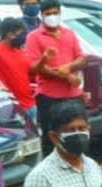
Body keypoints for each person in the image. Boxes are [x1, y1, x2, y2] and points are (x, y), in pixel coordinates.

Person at [25, 0, 86, 157]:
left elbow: (82, 59)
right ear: (42, 15)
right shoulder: (34, 37)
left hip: (74, 96)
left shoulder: (69, 33)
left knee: (79, 136)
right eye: (48, 14)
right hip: (49, 97)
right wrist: (65, 75)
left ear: (60, 13)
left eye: (54, 13)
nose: (52, 16)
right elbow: (34, 68)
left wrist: (70, 68)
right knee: (50, 139)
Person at [0, 17, 43, 121]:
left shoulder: (21, 52)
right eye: (21, 33)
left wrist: (45, 59)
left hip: (30, 105)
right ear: (10, 35)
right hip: (11, 109)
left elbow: (32, 72)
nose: (24, 36)